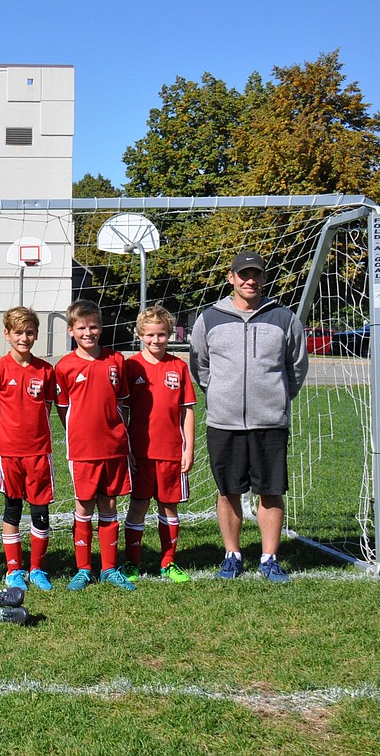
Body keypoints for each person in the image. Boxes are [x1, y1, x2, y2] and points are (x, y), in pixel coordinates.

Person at [190, 251, 307, 583]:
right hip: (224, 422)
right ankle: (233, 555)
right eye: (243, 274)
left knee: (270, 490)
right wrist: (220, 393)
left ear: (264, 278)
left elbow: (296, 367)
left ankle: (269, 559)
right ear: (231, 278)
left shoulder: (284, 317)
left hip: (269, 421)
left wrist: (276, 397)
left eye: (256, 274)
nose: (249, 280)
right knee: (228, 491)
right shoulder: (209, 318)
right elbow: (200, 365)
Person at [54, 300, 134, 592]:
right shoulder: (64, 366)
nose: (89, 332)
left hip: (113, 447)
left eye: (94, 326)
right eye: (82, 327)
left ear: (101, 327)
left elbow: (123, 402)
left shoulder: (116, 360)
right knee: (83, 507)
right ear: (71, 330)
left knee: (109, 505)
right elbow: (63, 408)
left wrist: (117, 432)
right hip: (82, 449)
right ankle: (84, 568)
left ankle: (109, 568)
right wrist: (78, 431)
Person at [121, 305, 196, 584]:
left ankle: (168, 563)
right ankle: (132, 562)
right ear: (141, 334)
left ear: (170, 335)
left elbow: (187, 410)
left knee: (169, 507)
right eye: (150, 335)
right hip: (140, 453)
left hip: (172, 451)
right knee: (138, 505)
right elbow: (124, 412)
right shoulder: (132, 367)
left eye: (162, 335)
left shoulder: (179, 366)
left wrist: (188, 448)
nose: (156, 340)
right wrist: (126, 448)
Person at [0, 306, 57, 592]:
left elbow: (48, 409)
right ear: (7, 334)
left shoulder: (46, 370)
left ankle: (38, 568)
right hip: (9, 453)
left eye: (29, 333)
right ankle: (14, 570)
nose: (24, 338)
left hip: (39, 452)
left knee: (40, 510)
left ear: (37, 335)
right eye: (18, 333)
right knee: (12, 508)